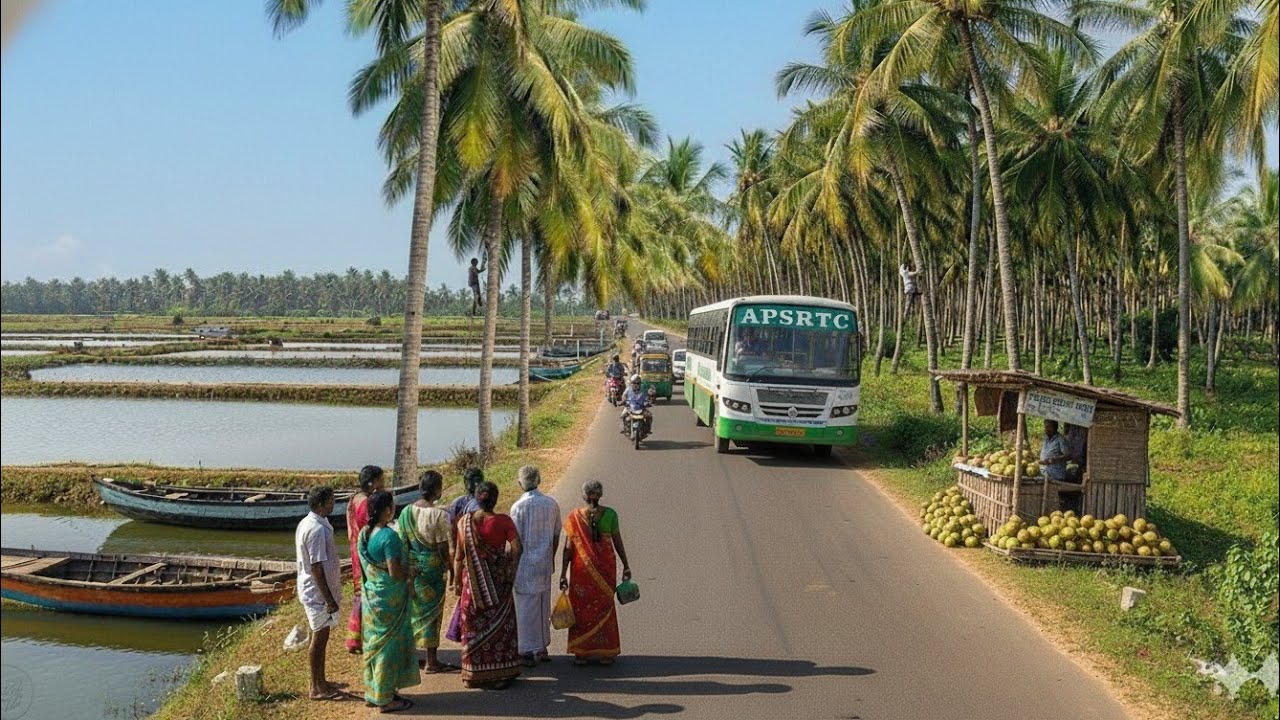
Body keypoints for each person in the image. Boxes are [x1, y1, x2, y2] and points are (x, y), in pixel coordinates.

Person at [453, 481, 523, 689]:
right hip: (498, 584)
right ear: (495, 499)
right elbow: (517, 548)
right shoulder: (503, 522)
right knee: (501, 628)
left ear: (476, 498)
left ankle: (473, 675)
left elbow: (458, 556)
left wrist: (457, 582)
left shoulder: (463, 523)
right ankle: (500, 674)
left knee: (472, 628)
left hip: (472, 586)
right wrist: (509, 569)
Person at [358, 490, 418, 713]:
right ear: (386, 510)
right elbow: (394, 572)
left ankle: (374, 691)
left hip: (372, 597)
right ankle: (385, 699)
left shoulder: (364, 534)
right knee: (387, 648)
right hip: (389, 601)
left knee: (374, 644)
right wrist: (409, 572)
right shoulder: (389, 538)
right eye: (392, 506)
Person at [560, 480, 632, 665]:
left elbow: (568, 549)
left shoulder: (574, 517)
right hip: (605, 570)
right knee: (605, 607)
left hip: (581, 571)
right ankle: (607, 653)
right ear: (600, 495)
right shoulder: (610, 515)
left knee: (581, 608)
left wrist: (562, 573)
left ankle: (582, 653)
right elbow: (617, 542)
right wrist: (626, 565)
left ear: (584, 496)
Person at [396, 470, 458, 673]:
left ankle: (411, 656)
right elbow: (442, 547)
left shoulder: (405, 512)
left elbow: (402, 542)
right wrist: (450, 568)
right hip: (432, 570)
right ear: (436, 490)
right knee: (432, 615)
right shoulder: (439, 515)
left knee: (413, 612)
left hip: (412, 568)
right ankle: (432, 660)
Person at [294, 486, 350, 702]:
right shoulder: (316, 529)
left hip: (315, 591)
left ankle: (321, 681)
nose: (333, 504)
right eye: (330, 501)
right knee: (319, 639)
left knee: (321, 637)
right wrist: (329, 599)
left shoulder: (313, 523)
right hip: (317, 594)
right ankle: (316, 687)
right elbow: (317, 567)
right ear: (320, 504)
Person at [509, 466, 561, 667]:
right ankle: (541, 647)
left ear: (521, 483)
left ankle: (525, 649)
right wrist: (550, 556)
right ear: (538, 481)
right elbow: (556, 535)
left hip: (524, 564)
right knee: (542, 606)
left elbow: (515, 541)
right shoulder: (551, 504)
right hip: (544, 563)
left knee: (525, 609)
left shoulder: (517, 508)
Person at [346, 465, 386, 653]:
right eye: (381, 479)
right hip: (365, 551)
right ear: (374, 482)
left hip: (356, 547)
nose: (384, 482)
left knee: (360, 591)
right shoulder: (365, 504)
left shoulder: (354, 498)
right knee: (365, 592)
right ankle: (356, 638)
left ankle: (357, 637)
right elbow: (372, 527)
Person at [443, 467, 484, 643]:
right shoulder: (481, 504)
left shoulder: (457, 503)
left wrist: (454, 574)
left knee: (466, 596)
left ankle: (460, 630)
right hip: (476, 557)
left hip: (460, 553)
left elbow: (451, 534)